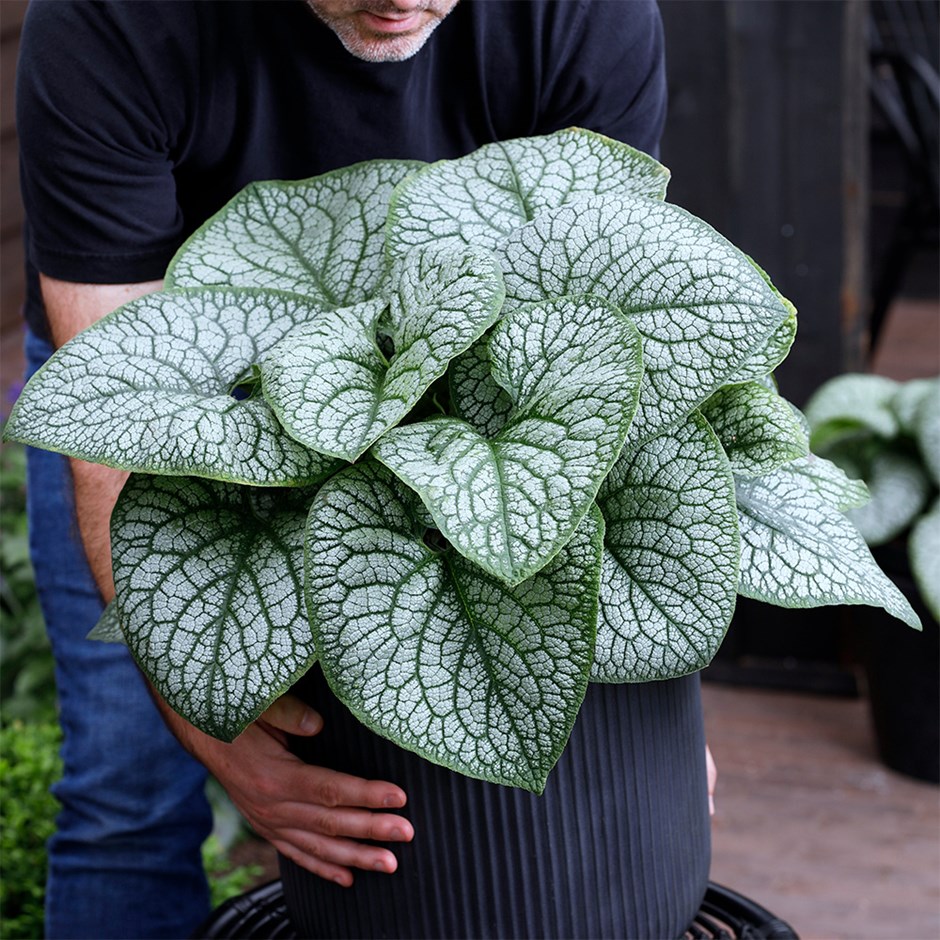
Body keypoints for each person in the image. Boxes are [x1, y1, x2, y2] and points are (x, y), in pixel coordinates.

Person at [16, 1, 712, 937]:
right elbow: (114, 413)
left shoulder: (583, 12)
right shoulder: (111, 21)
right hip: (171, 377)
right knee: (125, 794)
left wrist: (656, 713)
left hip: (452, 368)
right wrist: (204, 724)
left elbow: (607, 349)